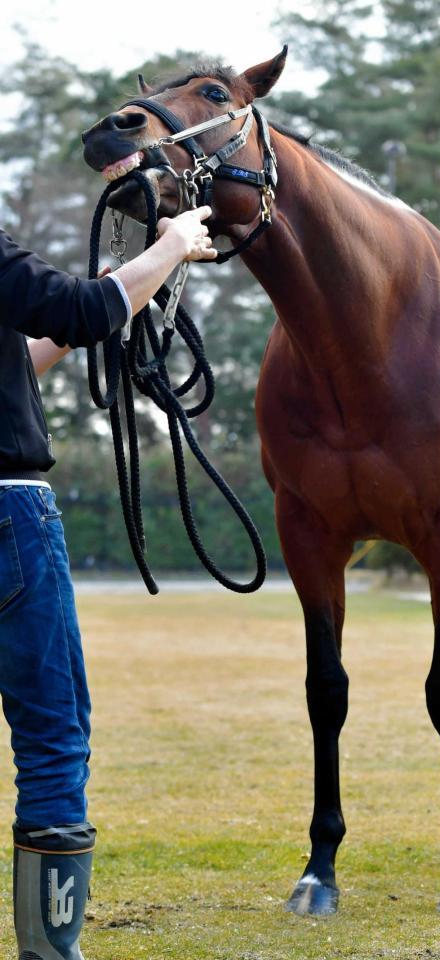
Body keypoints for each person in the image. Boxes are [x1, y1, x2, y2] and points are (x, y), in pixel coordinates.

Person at [0, 206, 217, 960]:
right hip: (7, 511)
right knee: (52, 733)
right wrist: (172, 246)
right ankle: (49, 952)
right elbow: (82, 310)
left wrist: (121, 287)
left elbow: (20, 361)